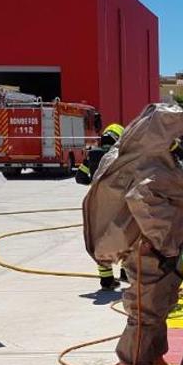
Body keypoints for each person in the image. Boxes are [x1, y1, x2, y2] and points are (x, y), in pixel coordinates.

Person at [82, 104, 183, 365]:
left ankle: (152, 357)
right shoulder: (148, 167)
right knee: (146, 308)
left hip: (166, 248)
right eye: (182, 136)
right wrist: (163, 244)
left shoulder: (165, 162)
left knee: (162, 303)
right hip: (150, 249)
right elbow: (143, 202)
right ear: (165, 136)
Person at [76, 123, 126, 289]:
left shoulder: (93, 154)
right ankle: (126, 272)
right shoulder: (121, 155)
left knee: (101, 241)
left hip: (97, 205)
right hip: (119, 203)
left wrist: (94, 182)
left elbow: (80, 178)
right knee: (127, 235)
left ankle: (106, 280)